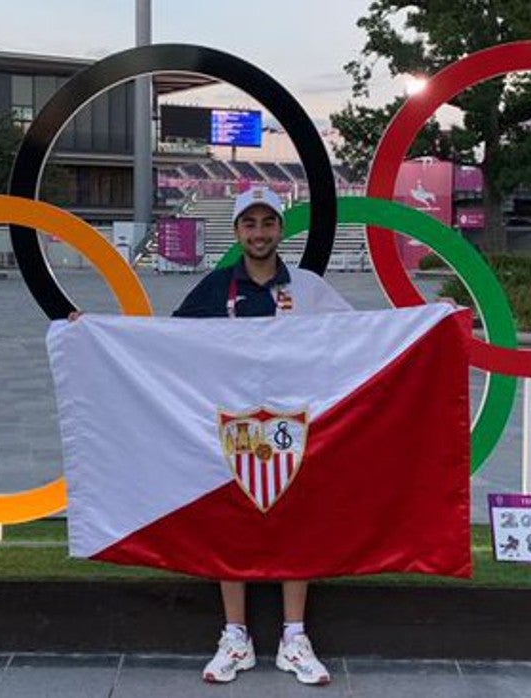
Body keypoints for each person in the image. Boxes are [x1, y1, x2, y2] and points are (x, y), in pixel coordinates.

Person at [174, 186, 352, 685]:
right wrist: (93, 330)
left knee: (297, 522)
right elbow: (165, 343)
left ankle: (295, 637)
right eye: (249, 224)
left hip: (293, 428)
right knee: (231, 524)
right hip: (233, 430)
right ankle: (236, 637)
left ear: (281, 229)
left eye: (267, 222)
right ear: (237, 232)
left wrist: (433, 317)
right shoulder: (214, 289)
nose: (259, 233)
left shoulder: (310, 289)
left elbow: (362, 333)